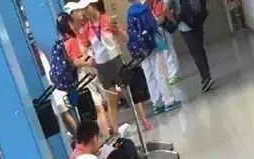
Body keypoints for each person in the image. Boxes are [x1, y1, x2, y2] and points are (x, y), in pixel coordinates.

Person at [76, 0, 154, 133]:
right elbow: (83, 49)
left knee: (130, 94)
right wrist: (86, 60)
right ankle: (116, 133)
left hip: (116, 62)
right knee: (111, 100)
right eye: (82, 9)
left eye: (86, 8)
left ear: (93, 6)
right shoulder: (87, 29)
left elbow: (125, 38)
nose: (84, 12)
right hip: (102, 67)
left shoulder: (107, 19)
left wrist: (119, 30)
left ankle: (143, 121)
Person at [56, 12, 110, 138]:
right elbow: (75, 61)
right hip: (82, 78)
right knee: (98, 109)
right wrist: (89, 62)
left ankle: (97, 139)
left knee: (87, 113)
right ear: (68, 23)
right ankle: (107, 139)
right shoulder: (72, 40)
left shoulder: (61, 42)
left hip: (73, 82)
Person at [127, 0, 180, 114]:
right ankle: (169, 100)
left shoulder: (130, 12)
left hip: (141, 49)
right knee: (160, 72)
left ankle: (157, 102)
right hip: (154, 44)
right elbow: (153, 25)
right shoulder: (144, 9)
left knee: (149, 75)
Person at [176, 0, 214, 93]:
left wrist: (175, 21)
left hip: (185, 25)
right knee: (200, 49)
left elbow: (166, 10)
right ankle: (206, 75)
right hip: (198, 18)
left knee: (196, 53)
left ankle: (206, 78)